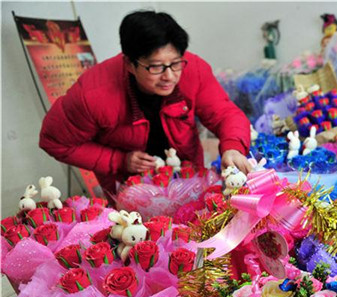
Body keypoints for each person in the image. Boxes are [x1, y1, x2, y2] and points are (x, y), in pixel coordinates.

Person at [39, 10, 252, 197]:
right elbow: (54, 141)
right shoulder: (93, 94)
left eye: (176, 63)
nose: (169, 76)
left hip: (188, 178)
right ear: (130, 64)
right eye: (156, 67)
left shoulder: (193, 69)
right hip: (130, 189)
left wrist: (232, 147)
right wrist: (119, 160)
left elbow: (224, 113)